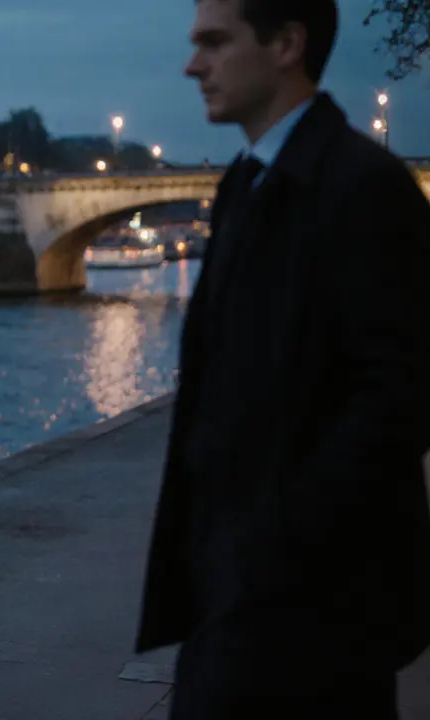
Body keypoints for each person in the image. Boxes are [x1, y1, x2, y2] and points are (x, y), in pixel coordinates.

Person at [136, 0, 430, 717]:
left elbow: (399, 399)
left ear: (286, 45)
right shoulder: (246, 183)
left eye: (213, 42)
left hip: (310, 604)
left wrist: (272, 541)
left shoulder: (368, 188)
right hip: (238, 592)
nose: (191, 64)